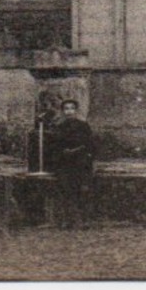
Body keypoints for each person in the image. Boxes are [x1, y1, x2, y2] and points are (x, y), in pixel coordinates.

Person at [47, 98, 96, 228]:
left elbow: (90, 144)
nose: (69, 112)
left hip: (80, 161)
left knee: (82, 189)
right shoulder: (59, 127)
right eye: (66, 109)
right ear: (63, 111)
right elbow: (54, 145)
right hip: (64, 162)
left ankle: (82, 220)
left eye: (72, 108)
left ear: (76, 110)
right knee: (65, 189)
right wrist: (63, 152)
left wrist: (78, 151)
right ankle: (66, 220)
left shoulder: (83, 126)